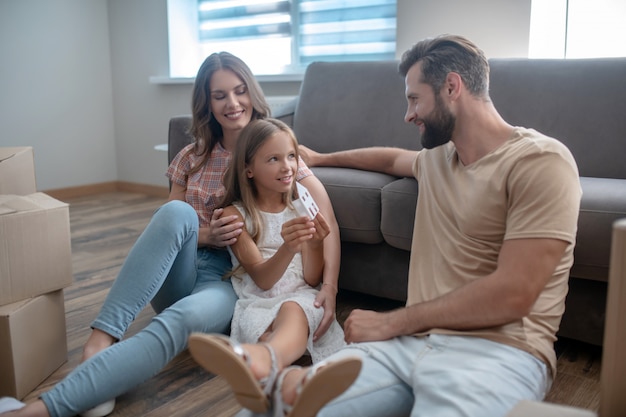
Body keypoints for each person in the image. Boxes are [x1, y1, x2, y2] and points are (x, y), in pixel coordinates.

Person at [239, 34, 583, 417]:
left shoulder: (540, 162)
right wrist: (320, 158)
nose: (408, 114)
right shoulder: (437, 159)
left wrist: (392, 321)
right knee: (270, 410)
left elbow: (515, 293)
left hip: (496, 353)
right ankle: (289, 391)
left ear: (452, 86)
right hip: (405, 346)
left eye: (414, 99)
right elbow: (389, 160)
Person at [1, 52, 341, 417]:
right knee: (176, 211)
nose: (233, 103)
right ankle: (100, 341)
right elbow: (170, 225)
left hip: (227, 281)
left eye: (240, 91)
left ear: (252, 93)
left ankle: (60, 400)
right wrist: (208, 234)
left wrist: (330, 288)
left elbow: (325, 220)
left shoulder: (274, 151)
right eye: (219, 95)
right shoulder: (190, 157)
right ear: (206, 103)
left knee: (177, 323)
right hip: (180, 265)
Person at [187, 118, 361, 416]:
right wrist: (289, 246)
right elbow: (264, 280)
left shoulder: (302, 207)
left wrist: (315, 244)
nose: (288, 167)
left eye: (292, 156)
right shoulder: (234, 215)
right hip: (257, 302)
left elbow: (310, 277)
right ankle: (292, 382)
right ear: (248, 169)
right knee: (271, 330)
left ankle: (261, 361)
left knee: (292, 309)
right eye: (274, 159)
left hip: (300, 299)